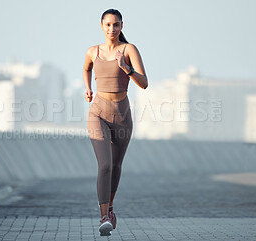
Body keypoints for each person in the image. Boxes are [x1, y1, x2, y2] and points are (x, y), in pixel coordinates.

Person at [82, 8, 148, 236]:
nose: (112, 29)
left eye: (116, 25)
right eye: (108, 24)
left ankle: (110, 208)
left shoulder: (129, 50)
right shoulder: (93, 51)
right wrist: (89, 89)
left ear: (122, 26)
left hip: (122, 116)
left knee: (117, 166)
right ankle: (103, 217)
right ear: (102, 26)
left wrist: (126, 68)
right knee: (105, 165)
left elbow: (144, 83)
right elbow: (86, 68)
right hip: (98, 112)